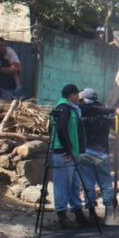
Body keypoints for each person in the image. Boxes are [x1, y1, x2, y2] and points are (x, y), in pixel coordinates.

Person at [78, 88, 119, 219]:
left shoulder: (81, 110)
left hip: (84, 152)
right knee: (105, 183)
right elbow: (116, 128)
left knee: (88, 184)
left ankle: (92, 211)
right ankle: (110, 213)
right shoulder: (105, 111)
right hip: (101, 153)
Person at [51, 84, 91, 229]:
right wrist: (67, 150)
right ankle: (62, 216)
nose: (78, 98)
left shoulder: (72, 109)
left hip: (71, 153)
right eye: (76, 95)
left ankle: (78, 212)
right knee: (62, 184)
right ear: (72, 95)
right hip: (63, 153)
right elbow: (61, 130)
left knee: (75, 185)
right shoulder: (63, 108)